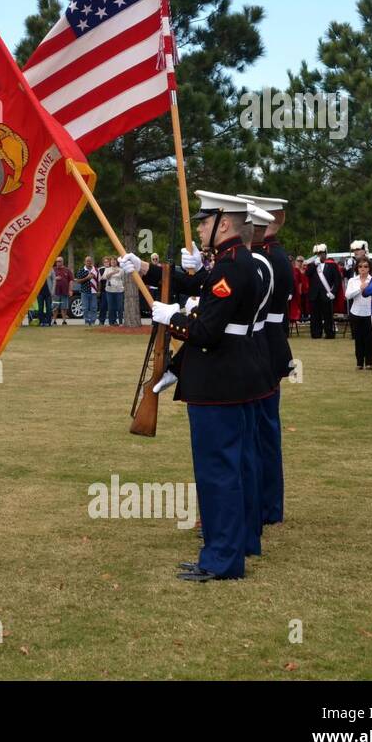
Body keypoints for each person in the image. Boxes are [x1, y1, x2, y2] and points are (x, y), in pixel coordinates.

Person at [119, 192, 273, 582]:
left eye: (205, 222)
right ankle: (243, 541)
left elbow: (206, 330)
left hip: (219, 381)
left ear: (224, 224)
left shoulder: (230, 267)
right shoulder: (244, 263)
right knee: (241, 465)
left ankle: (222, 558)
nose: (200, 228)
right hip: (241, 376)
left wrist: (173, 316)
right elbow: (198, 281)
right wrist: (146, 269)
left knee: (217, 470)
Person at [238, 193, 291, 527]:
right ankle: (266, 506)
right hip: (268, 346)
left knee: (260, 434)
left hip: (263, 347)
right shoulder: (266, 255)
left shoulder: (265, 258)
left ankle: (262, 506)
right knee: (262, 433)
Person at [344, 258, 372, 368]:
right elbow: (347, 295)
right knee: (358, 338)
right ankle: (359, 362)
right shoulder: (353, 280)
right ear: (357, 268)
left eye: (366, 266)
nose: (363, 269)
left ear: (369, 268)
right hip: (356, 312)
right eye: (360, 266)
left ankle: (369, 362)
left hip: (369, 312)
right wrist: (360, 289)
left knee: (369, 339)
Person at [306, 245, 342, 338]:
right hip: (314, 294)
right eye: (317, 254)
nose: (320, 256)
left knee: (328, 316)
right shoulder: (312, 265)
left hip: (327, 294)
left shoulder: (332, 265)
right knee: (315, 316)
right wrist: (315, 265)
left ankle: (329, 333)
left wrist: (333, 292)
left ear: (325, 254)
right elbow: (307, 274)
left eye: (322, 254)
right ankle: (316, 333)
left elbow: (337, 280)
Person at [77, 255, 99, 325]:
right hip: (84, 292)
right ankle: (86, 321)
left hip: (94, 292)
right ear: (84, 262)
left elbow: (99, 281)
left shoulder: (95, 270)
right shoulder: (81, 270)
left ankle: (92, 321)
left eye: (90, 261)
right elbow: (78, 281)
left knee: (94, 308)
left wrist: (99, 290)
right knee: (85, 308)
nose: (89, 262)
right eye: (87, 261)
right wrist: (87, 278)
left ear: (92, 262)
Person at [51, 256, 73, 325]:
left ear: (62, 262)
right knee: (55, 307)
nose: (58, 263)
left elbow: (71, 281)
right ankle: (54, 321)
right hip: (55, 292)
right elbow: (48, 280)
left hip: (65, 292)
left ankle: (64, 321)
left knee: (64, 307)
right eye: (57, 261)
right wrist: (55, 278)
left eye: (59, 261)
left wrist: (70, 290)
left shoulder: (67, 270)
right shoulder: (53, 270)